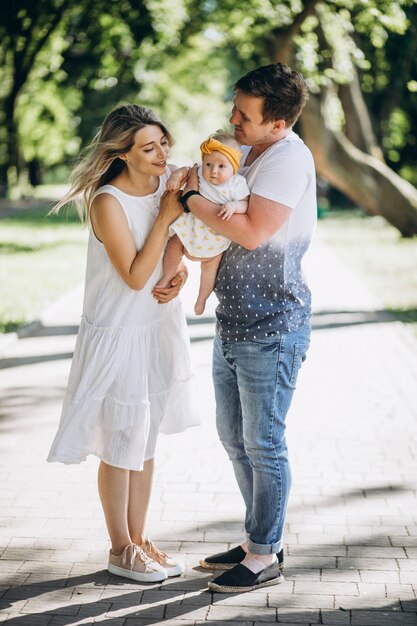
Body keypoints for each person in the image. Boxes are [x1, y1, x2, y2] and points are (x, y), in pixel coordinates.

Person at [47, 104, 199, 583]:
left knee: (146, 439)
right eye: (148, 148)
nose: (161, 154)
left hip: (156, 326)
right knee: (120, 443)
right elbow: (134, 276)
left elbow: (183, 241)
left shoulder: (169, 181)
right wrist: (164, 217)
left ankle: (140, 539)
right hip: (118, 332)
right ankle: (119, 548)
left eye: (162, 143)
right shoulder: (106, 202)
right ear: (123, 154)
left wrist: (178, 272)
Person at [181, 63, 317, 593]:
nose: (232, 119)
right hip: (234, 319)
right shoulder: (251, 150)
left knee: (263, 443)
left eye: (244, 114)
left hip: (272, 324)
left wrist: (188, 201)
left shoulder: (286, 159)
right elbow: (218, 220)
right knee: (235, 438)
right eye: (235, 107)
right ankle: (260, 536)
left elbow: (253, 232)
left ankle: (265, 556)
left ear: (277, 124)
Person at [155, 131, 249, 315]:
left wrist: (234, 206)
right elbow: (185, 171)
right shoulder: (198, 172)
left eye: (222, 166)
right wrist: (175, 178)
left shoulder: (237, 184)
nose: (213, 170)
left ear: (234, 168)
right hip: (191, 228)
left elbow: (245, 204)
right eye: (209, 164)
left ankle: (202, 298)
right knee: (173, 246)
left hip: (215, 235)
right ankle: (167, 277)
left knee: (209, 270)